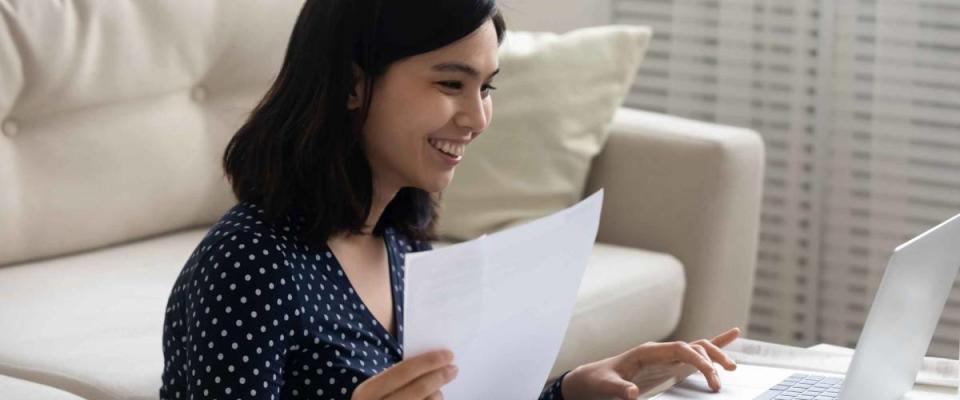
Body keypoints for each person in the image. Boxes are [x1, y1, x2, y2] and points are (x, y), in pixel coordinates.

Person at [159, 1, 740, 399]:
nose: (478, 117)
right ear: (354, 84)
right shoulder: (250, 264)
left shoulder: (399, 238)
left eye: (486, 87)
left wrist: (573, 388)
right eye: (450, 84)